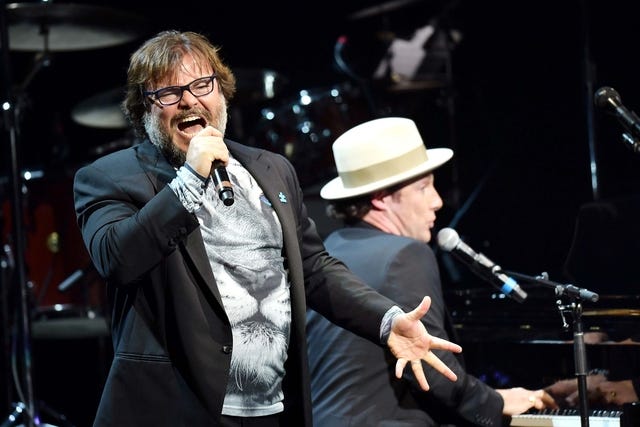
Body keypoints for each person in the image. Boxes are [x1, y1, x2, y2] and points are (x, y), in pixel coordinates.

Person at [71, 30, 464, 427]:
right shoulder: (110, 177)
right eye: (169, 92)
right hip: (175, 410)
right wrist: (190, 177)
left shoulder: (271, 169)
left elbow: (314, 268)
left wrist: (385, 320)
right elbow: (118, 258)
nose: (189, 99)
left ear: (221, 93)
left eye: (202, 85)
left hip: (272, 410)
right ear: (145, 108)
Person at [306, 117, 559, 426]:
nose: (437, 201)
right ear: (381, 197)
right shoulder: (405, 254)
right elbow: (428, 366)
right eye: (423, 188)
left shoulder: (331, 249)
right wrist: (497, 402)